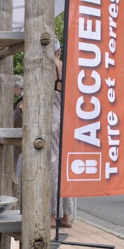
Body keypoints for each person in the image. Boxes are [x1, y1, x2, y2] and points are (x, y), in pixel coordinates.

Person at [51, 45, 75, 227]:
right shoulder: (65, 67)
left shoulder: (41, 67)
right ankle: (66, 214)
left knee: (50, 165)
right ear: (59, 51)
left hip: (48, 117)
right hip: (65, 117)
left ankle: (52, 214)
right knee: (63, 166)